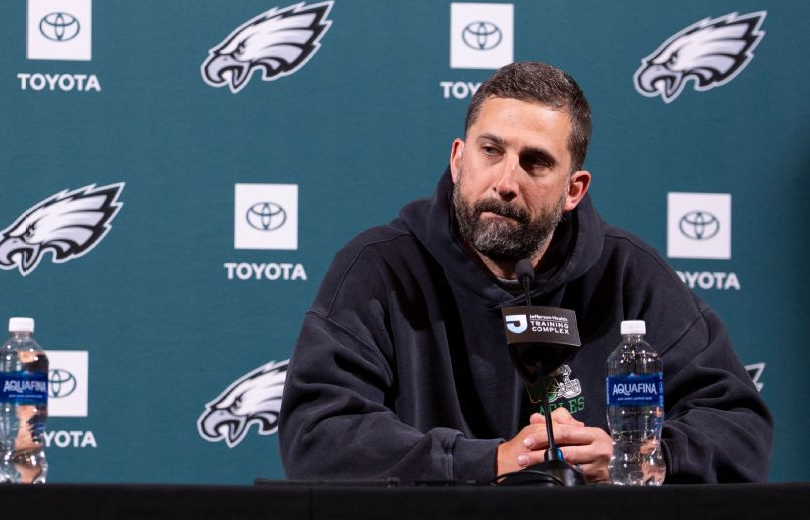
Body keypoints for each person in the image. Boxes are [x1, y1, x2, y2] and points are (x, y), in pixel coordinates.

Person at [278, 62, 773, 484]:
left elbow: (741, 430)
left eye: (535, 162)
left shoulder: (631, 275)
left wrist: (636, 457)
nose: (505, 182)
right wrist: (488, 462)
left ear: (573, 189)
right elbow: (317, 434)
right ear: (458, 160)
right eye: (491, 151)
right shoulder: (378, 268)